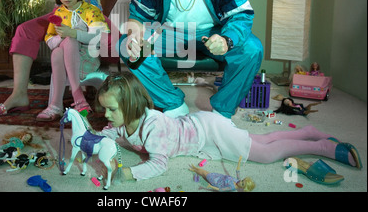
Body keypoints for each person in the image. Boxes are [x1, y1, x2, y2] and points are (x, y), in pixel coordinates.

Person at [95, 73, 362, 183]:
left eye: (111, 109)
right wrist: (90, 139)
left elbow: (159, 164)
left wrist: (129, 173)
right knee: (260, 140)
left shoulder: (152, 126)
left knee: (265, 154)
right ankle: (308, 132)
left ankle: (323, 147)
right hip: (202, 129)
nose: (106, 115)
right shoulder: (121, 123)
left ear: (130, 106)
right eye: (105, 109)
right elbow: (109, 134)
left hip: (209, 132)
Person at [120, 0, 263, 120]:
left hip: (213, 33)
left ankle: (222, 112)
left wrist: (226, 40)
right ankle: (172, 103)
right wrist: (135, 36)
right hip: (168, 35)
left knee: (252, 48)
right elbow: (138, 17)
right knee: (125, 45)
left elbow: (241, 16)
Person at [38, 0, 108, 121]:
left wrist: (73, 34)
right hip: (63, 60)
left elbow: (99, 37)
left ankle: (60, 103)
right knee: (58, 51)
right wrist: (63, 37)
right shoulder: (59, 13)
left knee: (69, 42)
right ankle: (73, 100)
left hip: (88, 59)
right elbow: (49, 40)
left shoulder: (91, 11)